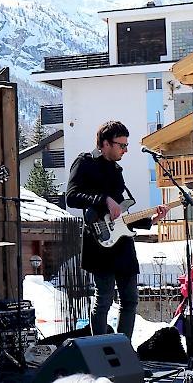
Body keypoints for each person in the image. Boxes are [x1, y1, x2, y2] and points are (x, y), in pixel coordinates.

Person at [65, 121, 168, 339]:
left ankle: (123, 349)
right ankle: (100, 349)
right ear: (105, 143)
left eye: (126, 145)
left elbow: (121, 214)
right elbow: (71, 197)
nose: (125, 150)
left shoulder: (116, 169)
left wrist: (150, 220)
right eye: (121, 145)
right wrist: (103, 200)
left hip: (122, 242)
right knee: (103, 299)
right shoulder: (85, 162)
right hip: (98, 239)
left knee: (130, 300)